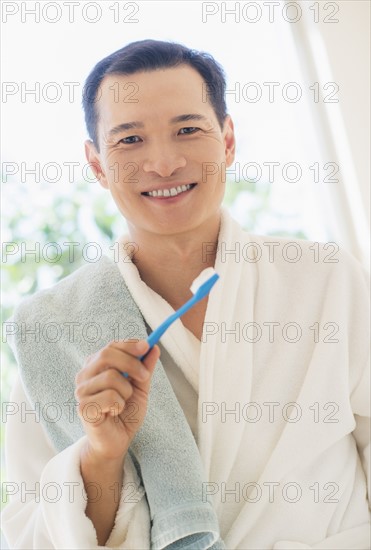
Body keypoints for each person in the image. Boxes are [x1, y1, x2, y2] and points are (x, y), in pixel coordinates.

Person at [2, 39, 370, 549]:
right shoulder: (56, 330)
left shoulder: (326, 280)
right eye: (130, 140)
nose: (164, 162)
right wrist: (101, 454)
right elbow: (29, 532)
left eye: (188, 129)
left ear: (228, 140)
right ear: (97, 165)